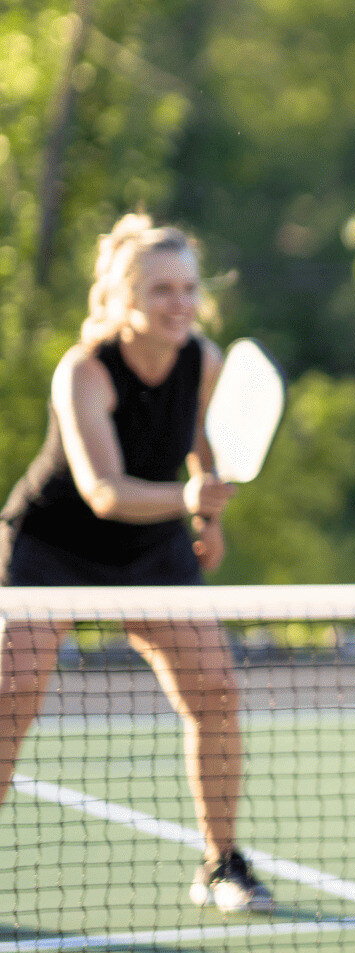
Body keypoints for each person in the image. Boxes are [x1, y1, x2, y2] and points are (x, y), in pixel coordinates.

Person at [0, 213, 272, 913]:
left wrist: (208, 518)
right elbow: (103, 490)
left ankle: (222, 864)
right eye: (160, 291)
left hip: (152, 550)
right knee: (11, 695)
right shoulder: (84, 370)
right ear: (124, 300)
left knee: (214, 691)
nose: (179, 303)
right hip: (52, 547)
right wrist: (190, 499)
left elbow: (206, 446)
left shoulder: (203, 360)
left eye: (187, 288)